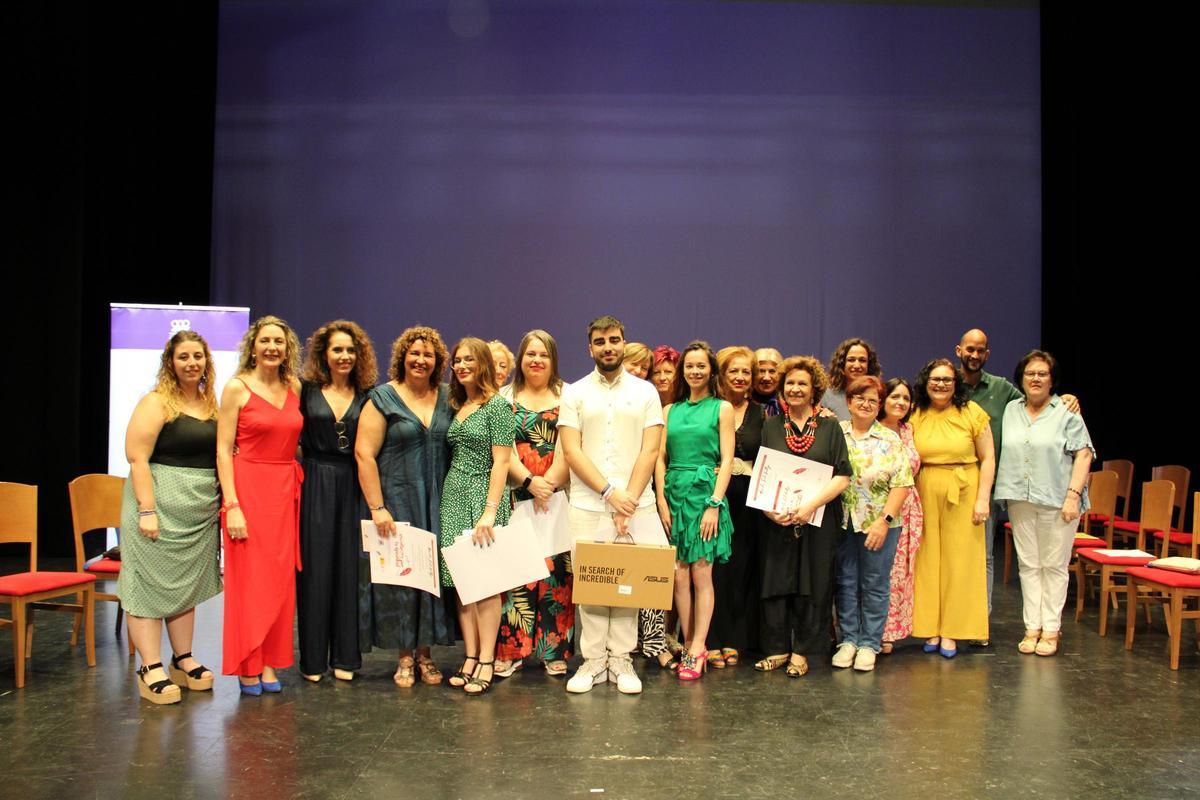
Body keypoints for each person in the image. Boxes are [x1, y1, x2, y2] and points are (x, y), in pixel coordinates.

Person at [560, 315, 664, 694]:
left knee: (627, 586)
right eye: (600, 341)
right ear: (590, 348)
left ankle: (621, 659)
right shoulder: (574, 393)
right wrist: (608, 494)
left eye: (614, 340)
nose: (608, 347)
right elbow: (571, 449)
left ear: (624, 343)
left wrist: (628, 502)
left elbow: (650, 448)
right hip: (588, 505)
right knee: (591, 587)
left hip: (638, 504)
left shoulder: (645, 392)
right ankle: (592, 661)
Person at [120, 331, 223, 705]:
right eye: (183, 356)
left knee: (184, 587)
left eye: (198, 355)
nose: (192, 362)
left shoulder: (212, 405)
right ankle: (150, 667)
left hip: (197, 512)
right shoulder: (156, 402)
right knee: (148, 585)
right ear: (170, 362)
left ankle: (183, 658)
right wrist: (146, 510)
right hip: (157, 507)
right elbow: (137, 457)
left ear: (206, 361)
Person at [956, 328, 1079, 630]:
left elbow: (1039, 402)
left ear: (987, 354)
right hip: (950, 485)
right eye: (969, 349)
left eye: (980, 350)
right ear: (959, 350)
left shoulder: (1003, 392)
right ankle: (947, 622)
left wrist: (1067, 398)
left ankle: (977, 625)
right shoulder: (944, 384)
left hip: (989, 487)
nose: (974, 355)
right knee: (949, 556)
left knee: (985, 557)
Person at [356, 326, 455, 688]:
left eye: (428, 355)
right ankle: (403, 657)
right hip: (396, 501)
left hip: (438, 502)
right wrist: (377, 506)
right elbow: (363, 454)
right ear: (402, 356)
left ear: (437, 361)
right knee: (401, 579)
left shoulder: (447, 396)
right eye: (414, 353)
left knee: (429, 580)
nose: (420, 360)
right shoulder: (382, 398)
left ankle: (426, 655)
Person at [217, 315, 305, 695]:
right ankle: (247, 663)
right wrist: (231, 504)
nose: (272, 347)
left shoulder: (294, 387)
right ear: (253, 346)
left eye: (279, 342)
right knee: (250, 581)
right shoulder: (236, 388)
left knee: (280, 582)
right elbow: (222, 450)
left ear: (287, 350)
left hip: (284, 490)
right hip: (248, 488)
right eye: (265, 340)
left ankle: (270, 662)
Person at [754, 356, 851, 678]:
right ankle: (777, 649)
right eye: (790, 384)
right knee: (777, 583)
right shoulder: (770, 426)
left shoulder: (830, 426)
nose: (795, 389)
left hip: (818, 520)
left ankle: (802, 651)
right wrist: (768, 509)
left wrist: (810, 506)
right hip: (777, 521)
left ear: (814, 390)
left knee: (815, 584)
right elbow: (762, 475)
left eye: (802, 384)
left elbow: (843, 475)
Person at [994, 350, 1094, 657]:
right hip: (1020, 497)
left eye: (1042, 374)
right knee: (1029, 565)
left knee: (1054, 566)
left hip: (1057, 499)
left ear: (1052, 380)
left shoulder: (1066, 411)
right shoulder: (1012, 409)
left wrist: (1073, 496)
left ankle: (1051, 630)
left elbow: (1084, 453)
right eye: (1030, 374)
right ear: (1021, 379)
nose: (1035, 379)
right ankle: (1031, 628)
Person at [297, 320, 377, 682]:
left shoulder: (369, 394)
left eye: (350, 350)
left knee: (350, 571)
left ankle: (345, 657)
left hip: (354, 484)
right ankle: (313, 660)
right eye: (337, 350)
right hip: (314, 480)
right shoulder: (304, 390)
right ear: (323, 354)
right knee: (314, 571)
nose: (344, 356)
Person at [493, 330, 574, 678]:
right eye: (530, 354)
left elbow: (572, 446)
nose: (536, 360)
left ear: (553, 359)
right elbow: (503, 451)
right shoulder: (503, 397)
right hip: (516, 493)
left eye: (543, 354)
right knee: (516, 575)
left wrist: (549, 483)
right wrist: (529, 481)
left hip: (557, 497)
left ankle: (553, 650)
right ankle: (512, 651)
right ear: (521, 359)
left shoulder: (570, 396)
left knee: (557, 575)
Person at [655, 341, 734, 680]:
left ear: (711, 370)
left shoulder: (722, 408)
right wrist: (660, 499)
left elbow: (727, 460)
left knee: (701, 574)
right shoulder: (669, 410)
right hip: (673, 494)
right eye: (690, 365)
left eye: (702, 365)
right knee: (678, 575)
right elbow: (659, 458)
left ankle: (698, 647)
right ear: (682, 370)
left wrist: (714, 505)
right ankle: (689, 644)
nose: (695, 371)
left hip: (705, 496)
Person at [440, 337, 515, 695]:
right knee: (462, 584)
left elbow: (501, 461)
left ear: (483, 362)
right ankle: (470, 655)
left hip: (482, 497)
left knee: (485, 586)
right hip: (454, 496)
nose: (462, 365)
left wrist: (489, 511)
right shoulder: (460, 403)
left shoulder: (497, 406)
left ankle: (486, 658)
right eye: (457, 360)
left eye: (469, 359)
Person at [909, 358, 995, 658]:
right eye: (935, 379)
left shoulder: (972, 413)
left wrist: (983, 498)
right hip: (925, 487)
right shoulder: (916, 413)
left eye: (947, 379)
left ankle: (954, 631)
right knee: (927, 559)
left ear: (956, 383)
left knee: (962, 561)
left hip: (964, 487)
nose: (941, 384)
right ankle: (929, 626)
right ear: (926, 381)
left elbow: (988, 459)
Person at [833, 376, 913, 672]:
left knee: (875, 584)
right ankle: (849, 640)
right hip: (842, 522)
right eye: (859, 398)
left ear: (879, 406)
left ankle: (869, 643)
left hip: (881, 524)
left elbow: (903, 483)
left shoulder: (890, 439)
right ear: (849, 401)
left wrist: (884, 520)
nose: (865, 404)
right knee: (846, 582)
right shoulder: (836, 433)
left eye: (872, 400)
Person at [707, 345, 763, 667]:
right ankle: (711, 638)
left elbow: (765, 457)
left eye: (746, 372)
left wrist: (741, 468)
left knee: (740, 567)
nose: (741, 377)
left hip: (748, 499)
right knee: (712, 569)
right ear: (722, 374)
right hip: (713, 495)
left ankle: (734, 639)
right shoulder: (710, 408)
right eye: (735, 371)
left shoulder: (760, 413)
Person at [876, 378, 924, 653]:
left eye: (906, 399)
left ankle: (888, 632)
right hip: (878, 508)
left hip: (908, 508)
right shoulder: (873, 429)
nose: (900, 403)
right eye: (895, 397)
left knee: (899, 574)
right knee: (878, 571)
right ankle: (871, 628)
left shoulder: (909, 430)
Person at [824, 338, 882, 420]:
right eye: (851, 360)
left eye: (862, 360)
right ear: (842, 363)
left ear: (869, 365)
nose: (857, 365)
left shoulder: (877, 395)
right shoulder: (826, 395)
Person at [752, 347, 784, 417]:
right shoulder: (742, 404)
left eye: (772, 371)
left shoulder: (789, 404)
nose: (767, 378)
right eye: (761, 371)